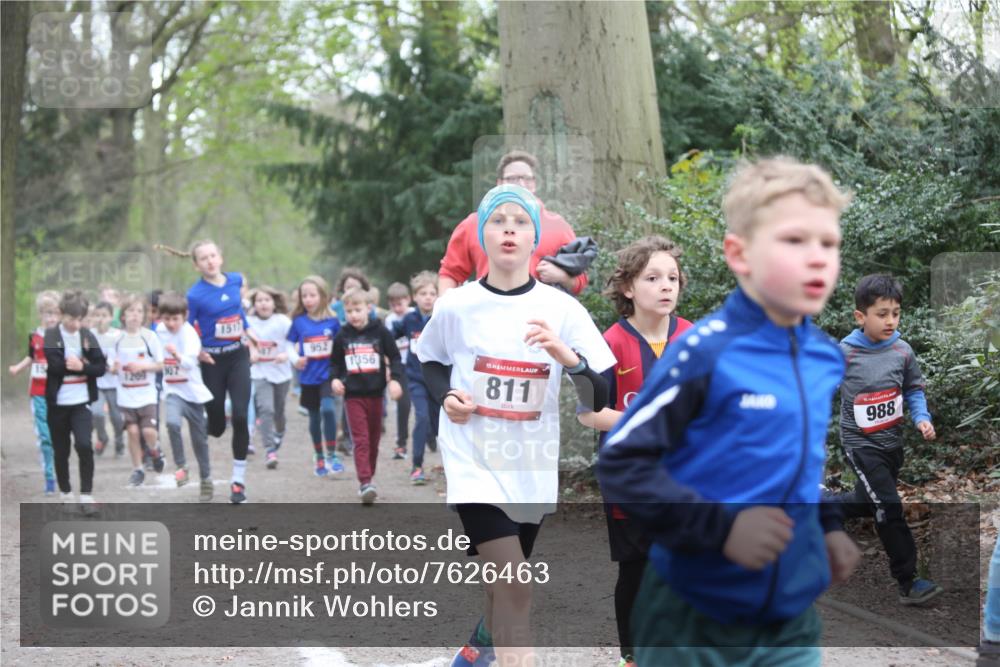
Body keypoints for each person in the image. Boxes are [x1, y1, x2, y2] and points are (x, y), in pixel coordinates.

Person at [597, 158, 861, 666]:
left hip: (787, 613)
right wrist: (724, 529)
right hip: (691, 614)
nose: (817, 258)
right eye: (793, 241)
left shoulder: (825, 357)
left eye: (828, 243)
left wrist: (828, 527)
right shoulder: (705, 352)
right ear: (739, 255)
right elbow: (622, 462)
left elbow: (800, 465)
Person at [418, 184, 614, 667]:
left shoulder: (563, 309)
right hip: (473, 461)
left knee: (501, 581)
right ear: (481, 235)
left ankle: (475, 653)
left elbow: (600, 394)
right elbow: (429, 361)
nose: (509, 228)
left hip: (529, 464)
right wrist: (447, 397)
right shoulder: (457, 305)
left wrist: (566, 357)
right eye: (497, 220)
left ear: (536, 238)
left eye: (520, 221)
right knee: (515, 582)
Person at [577, 236, 693, 667]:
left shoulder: (692, 337)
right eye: (653, 278)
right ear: (628, 287)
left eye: (673, 278)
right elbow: (588, 415)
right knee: (638, 567)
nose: (666, 286)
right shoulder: (610, 342)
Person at [835, 273, 942, 605]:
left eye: (895, 313)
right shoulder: (846, 353)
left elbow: (913, 389)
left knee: (866, 502)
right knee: (888, 505)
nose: (890, 321)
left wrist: (921, 417)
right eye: (882, 314)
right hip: (860, 445)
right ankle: (908, 581)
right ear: (860, 316)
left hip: (891, 445)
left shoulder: (902, 350)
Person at [161, 241, 258, 504]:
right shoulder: (194, 295)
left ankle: (238, 482)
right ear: (196, 265)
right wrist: (197, 351)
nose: (210, 261)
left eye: (213, 255)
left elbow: (238, 313)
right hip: (212, 363)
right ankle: (202, 429)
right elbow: (186, 327)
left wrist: (251, 337)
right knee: (215, 426)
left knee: (240, 415)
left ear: (221, 257)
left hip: (238, 356)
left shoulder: (236, 280)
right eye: (203, 258)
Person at [437, 150, 588, 297]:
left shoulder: (558, 226)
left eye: (526, 178)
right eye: (512, 178)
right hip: (487, 316)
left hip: (539, 318)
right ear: (499, 183)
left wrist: (562, 277)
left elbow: (580, 281)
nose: (520, 184)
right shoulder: (473, 224)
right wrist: (445, 311)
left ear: (534, 184)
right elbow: (450, 273)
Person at [330, 287, 403, 504]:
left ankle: (368, 475)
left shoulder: (380, 332)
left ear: (368, 309)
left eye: (357, 309)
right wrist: (334, 379)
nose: (353, 315)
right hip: (352, 396)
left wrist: (395, 379)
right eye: (349, 311)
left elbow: (395, 357)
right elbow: (334, 363)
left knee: (373, 440)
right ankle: (365, 482)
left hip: (376, 394)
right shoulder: (343, 335)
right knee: (360, 440)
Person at [43, 290, 107, 514]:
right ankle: (66, 492)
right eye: (71, 319)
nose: (75, 324)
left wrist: (83, 367)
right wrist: (77, 364)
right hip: (58, 404)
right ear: (61, 315)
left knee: (84, 445)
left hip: (81, 403)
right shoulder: (52, 335)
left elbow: (100, 367)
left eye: (80, 319)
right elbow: (54, 364)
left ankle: (87, 495)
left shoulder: (87, 336)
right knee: (61, 450)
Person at [155, 292, 215, 500]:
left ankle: (206, 479)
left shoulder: (190, 334)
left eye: (175, 319)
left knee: (200, 441)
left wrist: (176, 355)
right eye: (166, 318)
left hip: (193, 393)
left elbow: (189, 363)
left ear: (185, 316)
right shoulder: (160, 331)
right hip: (173, 391)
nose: (171, 323)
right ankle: (182, 467)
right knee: (171, 423)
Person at [288, 275, 345, 477]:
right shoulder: (299, 321)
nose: (308, 299)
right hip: (308, 377)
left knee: (328, 410)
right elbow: (288, 344)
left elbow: (341, 346)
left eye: (312, 295)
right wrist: (295, 359)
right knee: (313, 416)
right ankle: (319, 455)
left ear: (323, 296)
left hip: (328, 375)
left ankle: (331, 454)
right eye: (305, 296)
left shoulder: (333, 321)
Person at [8, 290, 61, 495]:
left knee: (58, 436)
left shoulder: (63, 337)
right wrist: (17, 368)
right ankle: (49, 475)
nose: (51, 318)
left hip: (58, 393)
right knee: (45, 437)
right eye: (48, 313)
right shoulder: (35, 336)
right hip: (38, 392)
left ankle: (59, 469)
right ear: (41, 314)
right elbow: (31, 357)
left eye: (55, 314)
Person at [111, 293, 166, 487]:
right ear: (123, 315)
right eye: (131, 311)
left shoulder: (150, 337)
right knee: (133, 432)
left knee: (149, 431)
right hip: (125, 395)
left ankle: (156, 450)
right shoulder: (116, 338)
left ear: (144, 316)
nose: (135, 315)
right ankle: (138, 469)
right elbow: (109, 366)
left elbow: (161, 364)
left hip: (147, 393)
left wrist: (143, 367)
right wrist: (114, 366)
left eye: (139, 311)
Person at [392, 271, 440, 485]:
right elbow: (391, 336)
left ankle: (433, 438)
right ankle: (417, 466)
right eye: (423, 293)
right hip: (416, 379)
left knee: (438, 423)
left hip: (438, 381)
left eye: (432, 293)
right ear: (414, 297)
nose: (428, 297)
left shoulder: (441, 317)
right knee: (421, 418)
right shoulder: (409, 320)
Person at [248, 285, 293, 470]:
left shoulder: (282, 321)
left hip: (281, 373)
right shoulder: (249, 322)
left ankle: (279, 432)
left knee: (279, 412)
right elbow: (245, 340)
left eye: (267, 300)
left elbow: (294, 343)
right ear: (254, 304)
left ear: (274, 303)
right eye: (259, 300)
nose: (263, 304)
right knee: (265, 409)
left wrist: (286, 355)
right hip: (260, 372)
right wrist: (251, 351)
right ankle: (269, 450)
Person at [89, 300, 125, 457]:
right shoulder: (89, 335)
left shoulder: (118, 335)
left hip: (114, 383)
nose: (100, 319)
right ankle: (102, 438)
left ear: (111, 317)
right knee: (96, 413)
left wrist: (117, 366)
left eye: (104, 315)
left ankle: (119, 441)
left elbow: (122, 357)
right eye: (97, 315)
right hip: (97, 383)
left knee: (117, 417)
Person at [384, 281, 415, 461]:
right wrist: (388, 369)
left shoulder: (414, 315)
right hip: (400, 366)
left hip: (417, 364)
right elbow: (387, 347)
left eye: (400, 304)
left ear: (408, 300)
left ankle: (429, 434)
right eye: (393, 305)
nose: (397, 308)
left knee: (423, 405)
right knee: (403, 405)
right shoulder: (389, 320)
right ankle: (401, 443)